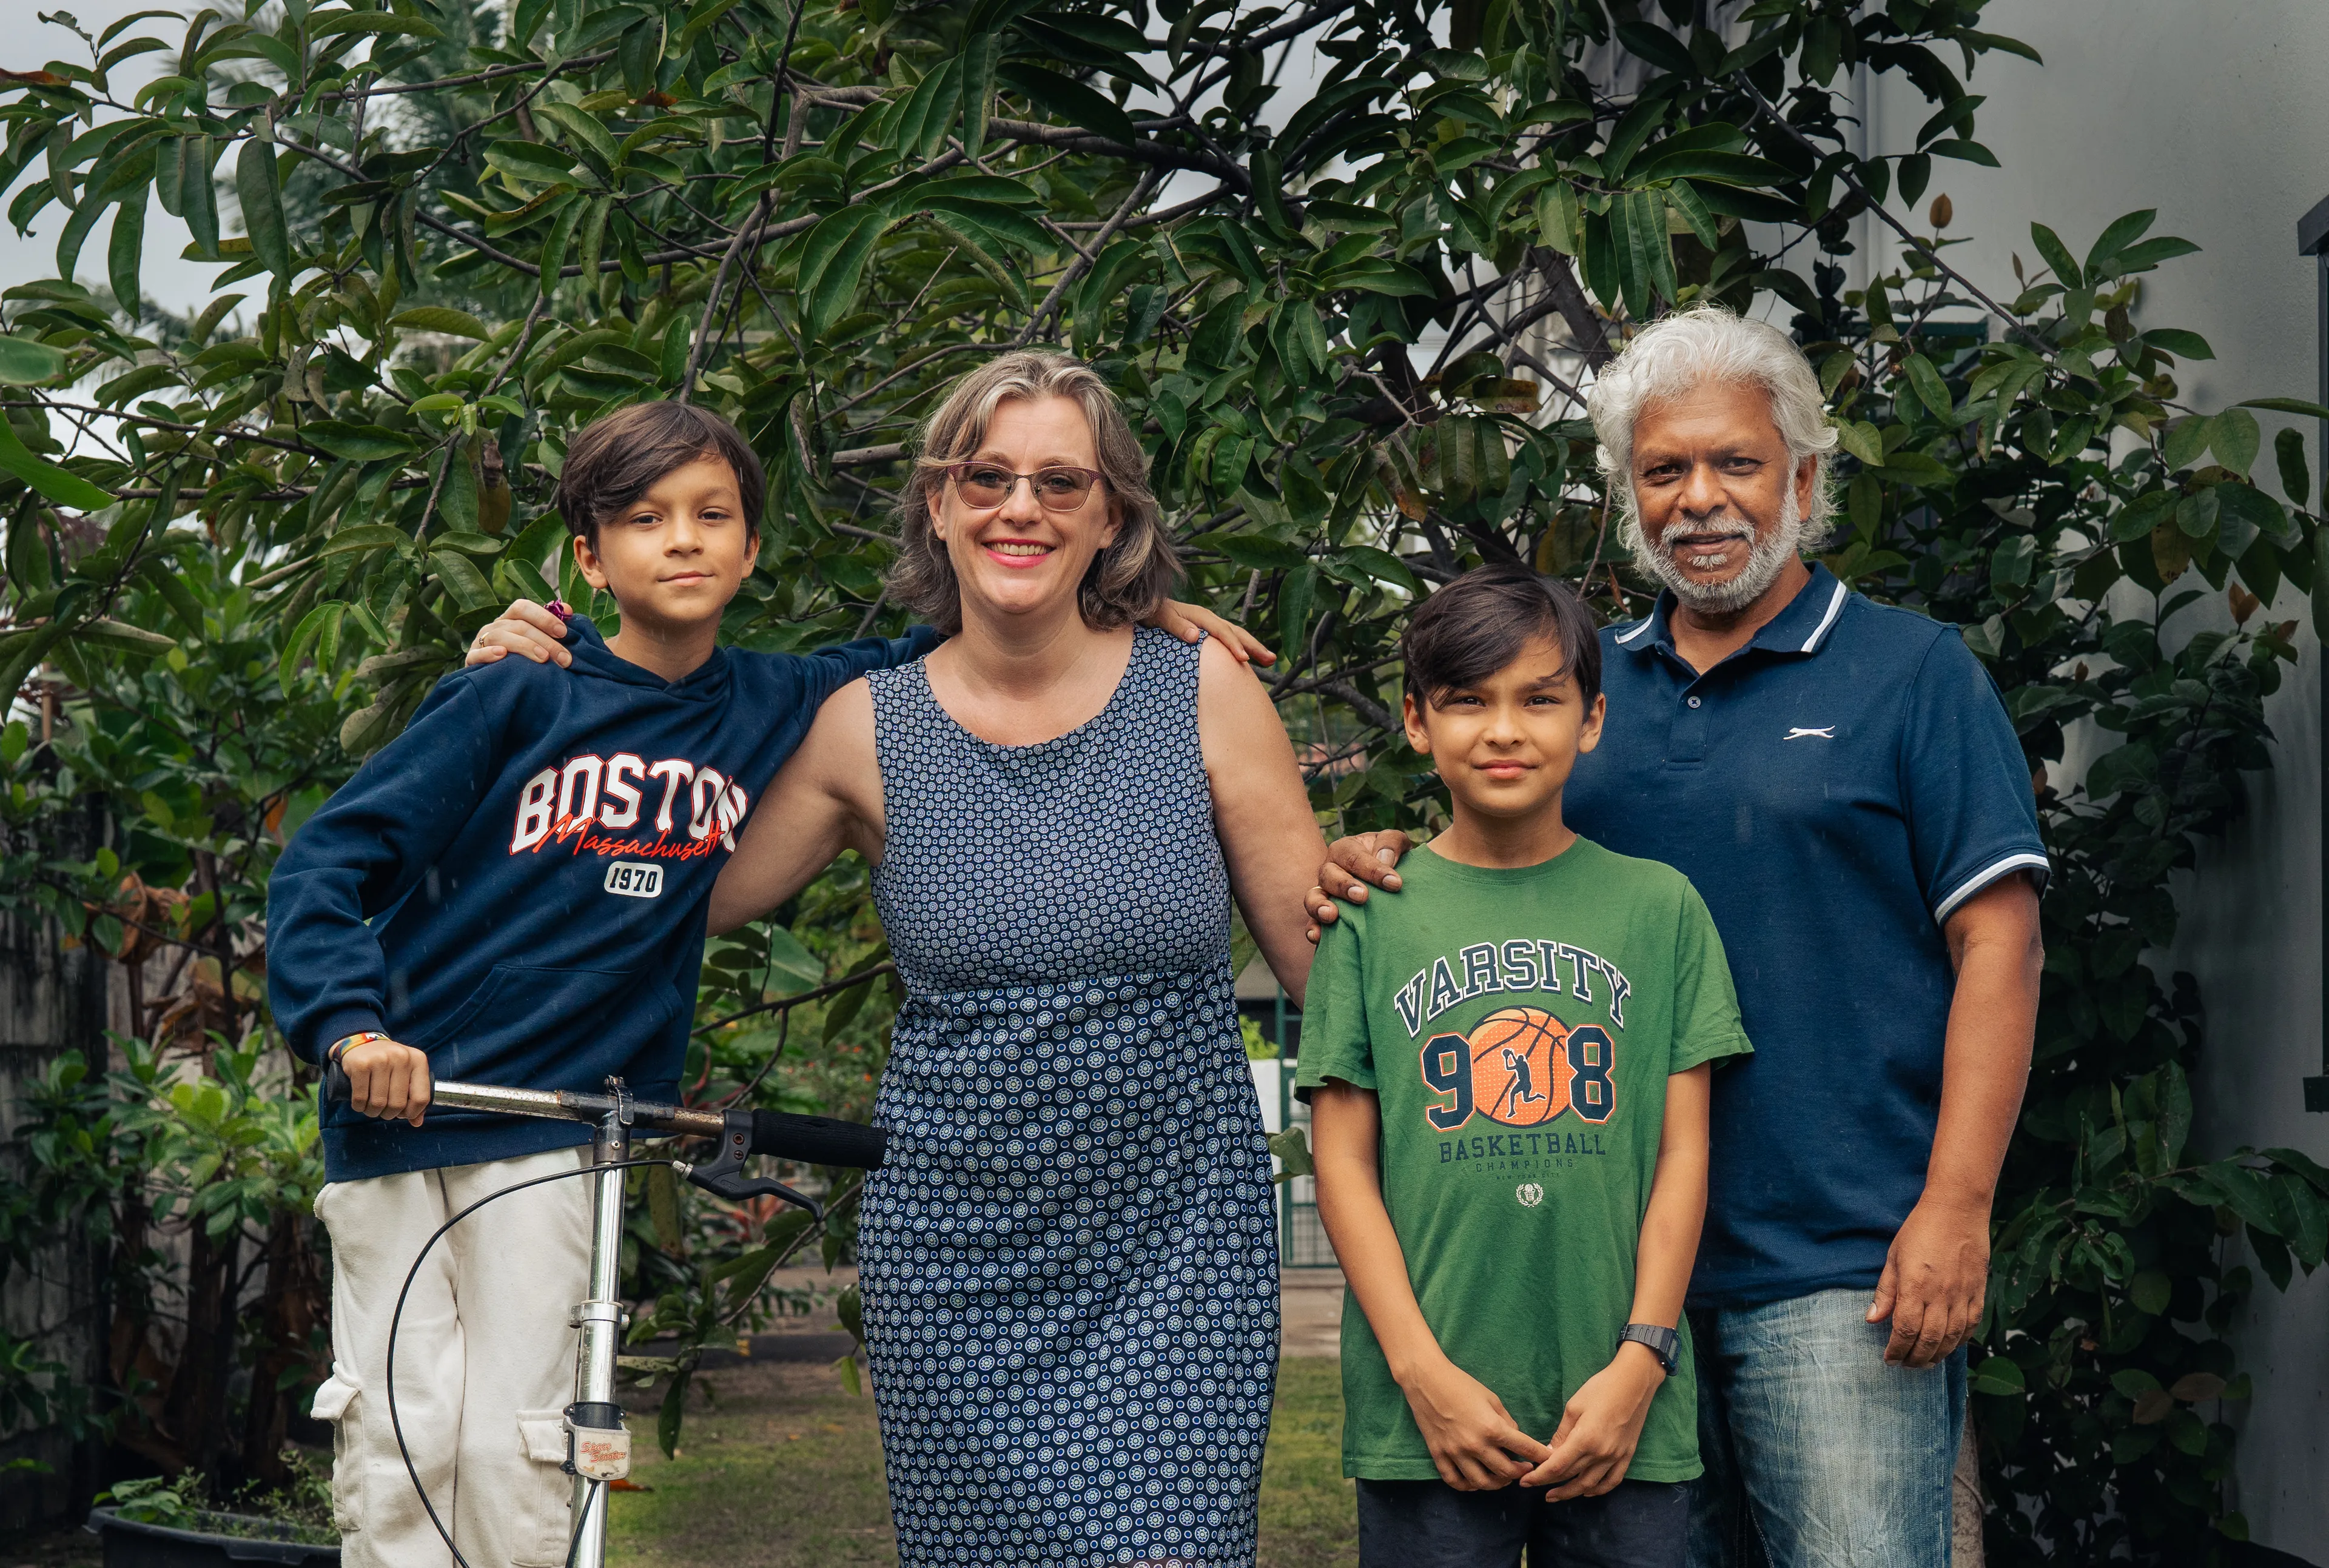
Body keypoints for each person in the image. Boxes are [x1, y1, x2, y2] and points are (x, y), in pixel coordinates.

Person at [469, 349, 1328, 1567]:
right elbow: (659, 896)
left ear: (1111, 518)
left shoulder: (1203, 691)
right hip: (955, 1257)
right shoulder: (864, 725)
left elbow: (1325, 972)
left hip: (1175, 1246)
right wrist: (539, 706)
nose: (1019, 507)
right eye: (985, 477)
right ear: (937, 502)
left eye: (1060, 484)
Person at [1311, 306, 2046, 1568]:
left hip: (1835, 1265)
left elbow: (2003, 947)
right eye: (1664, 471)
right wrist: (1368, 856)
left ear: (1804, 477)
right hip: (1597, 1290)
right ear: (1627, 494)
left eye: (1736, 464)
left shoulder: (1913, 675)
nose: (1700, 499)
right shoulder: (1583, 690)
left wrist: (1958, 1208)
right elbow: (1497, 867)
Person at [267, 401, 943, 1568]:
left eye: (710, 515)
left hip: (561, 1120)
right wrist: (350, 1027)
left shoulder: (777, 700)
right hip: (407, 1100)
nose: (681, 540)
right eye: (644, 519)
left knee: (524, 1443)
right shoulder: (517, 691)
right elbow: (327, 859)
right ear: (589, 555)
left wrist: (1125, 613)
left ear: (750, 547)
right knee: (403, 1432)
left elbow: (953, 646)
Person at [1300, 563, 1750, 1568]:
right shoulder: (1369, 915)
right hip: (1432, 1415)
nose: (1504, 729)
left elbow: (1683, 1156)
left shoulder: (1661, 908)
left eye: (1539, 699)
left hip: (1620, 1409)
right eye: (1468, 701)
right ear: (1417, 722)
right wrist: (1424, 1376)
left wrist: (1643, 1359)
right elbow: (1341, 1166)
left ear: (1591, 719)